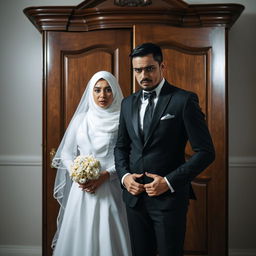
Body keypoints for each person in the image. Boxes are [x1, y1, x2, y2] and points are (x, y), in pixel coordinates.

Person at [114, 43, 215, 256]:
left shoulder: (183, 100)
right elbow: (121, 147)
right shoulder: (126, 104)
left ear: (162, 67)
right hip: (135, 199)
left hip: (169, 199)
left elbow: (206, 152)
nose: (143, 75)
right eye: (138, 70)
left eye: (149, 68)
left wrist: (168, 182)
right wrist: (125, 178)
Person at [51, 71, 132, 256]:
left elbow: (128, 155)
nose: (102, 95)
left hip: (111, 187)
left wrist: (105, 175)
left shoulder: (123, 120)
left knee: (110, 236)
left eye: (108, 90)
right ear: (91, 92)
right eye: (97, 90)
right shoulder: (81, 120)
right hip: (82, 190)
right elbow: (66, 152)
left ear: (115, 92)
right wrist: (77, 173)